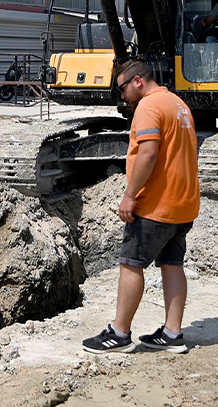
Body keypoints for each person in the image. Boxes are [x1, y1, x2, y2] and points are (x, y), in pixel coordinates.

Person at [82, 59, 200, 354]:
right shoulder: (178, 104)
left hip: (156, 205)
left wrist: (130, 195)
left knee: (131, 263)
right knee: (172, 264)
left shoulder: (148, 107)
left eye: (122, 87)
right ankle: (173, 334)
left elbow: (148, 153)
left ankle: (119, 333)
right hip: (182, 204)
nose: (121, 94)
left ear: (137, 82)